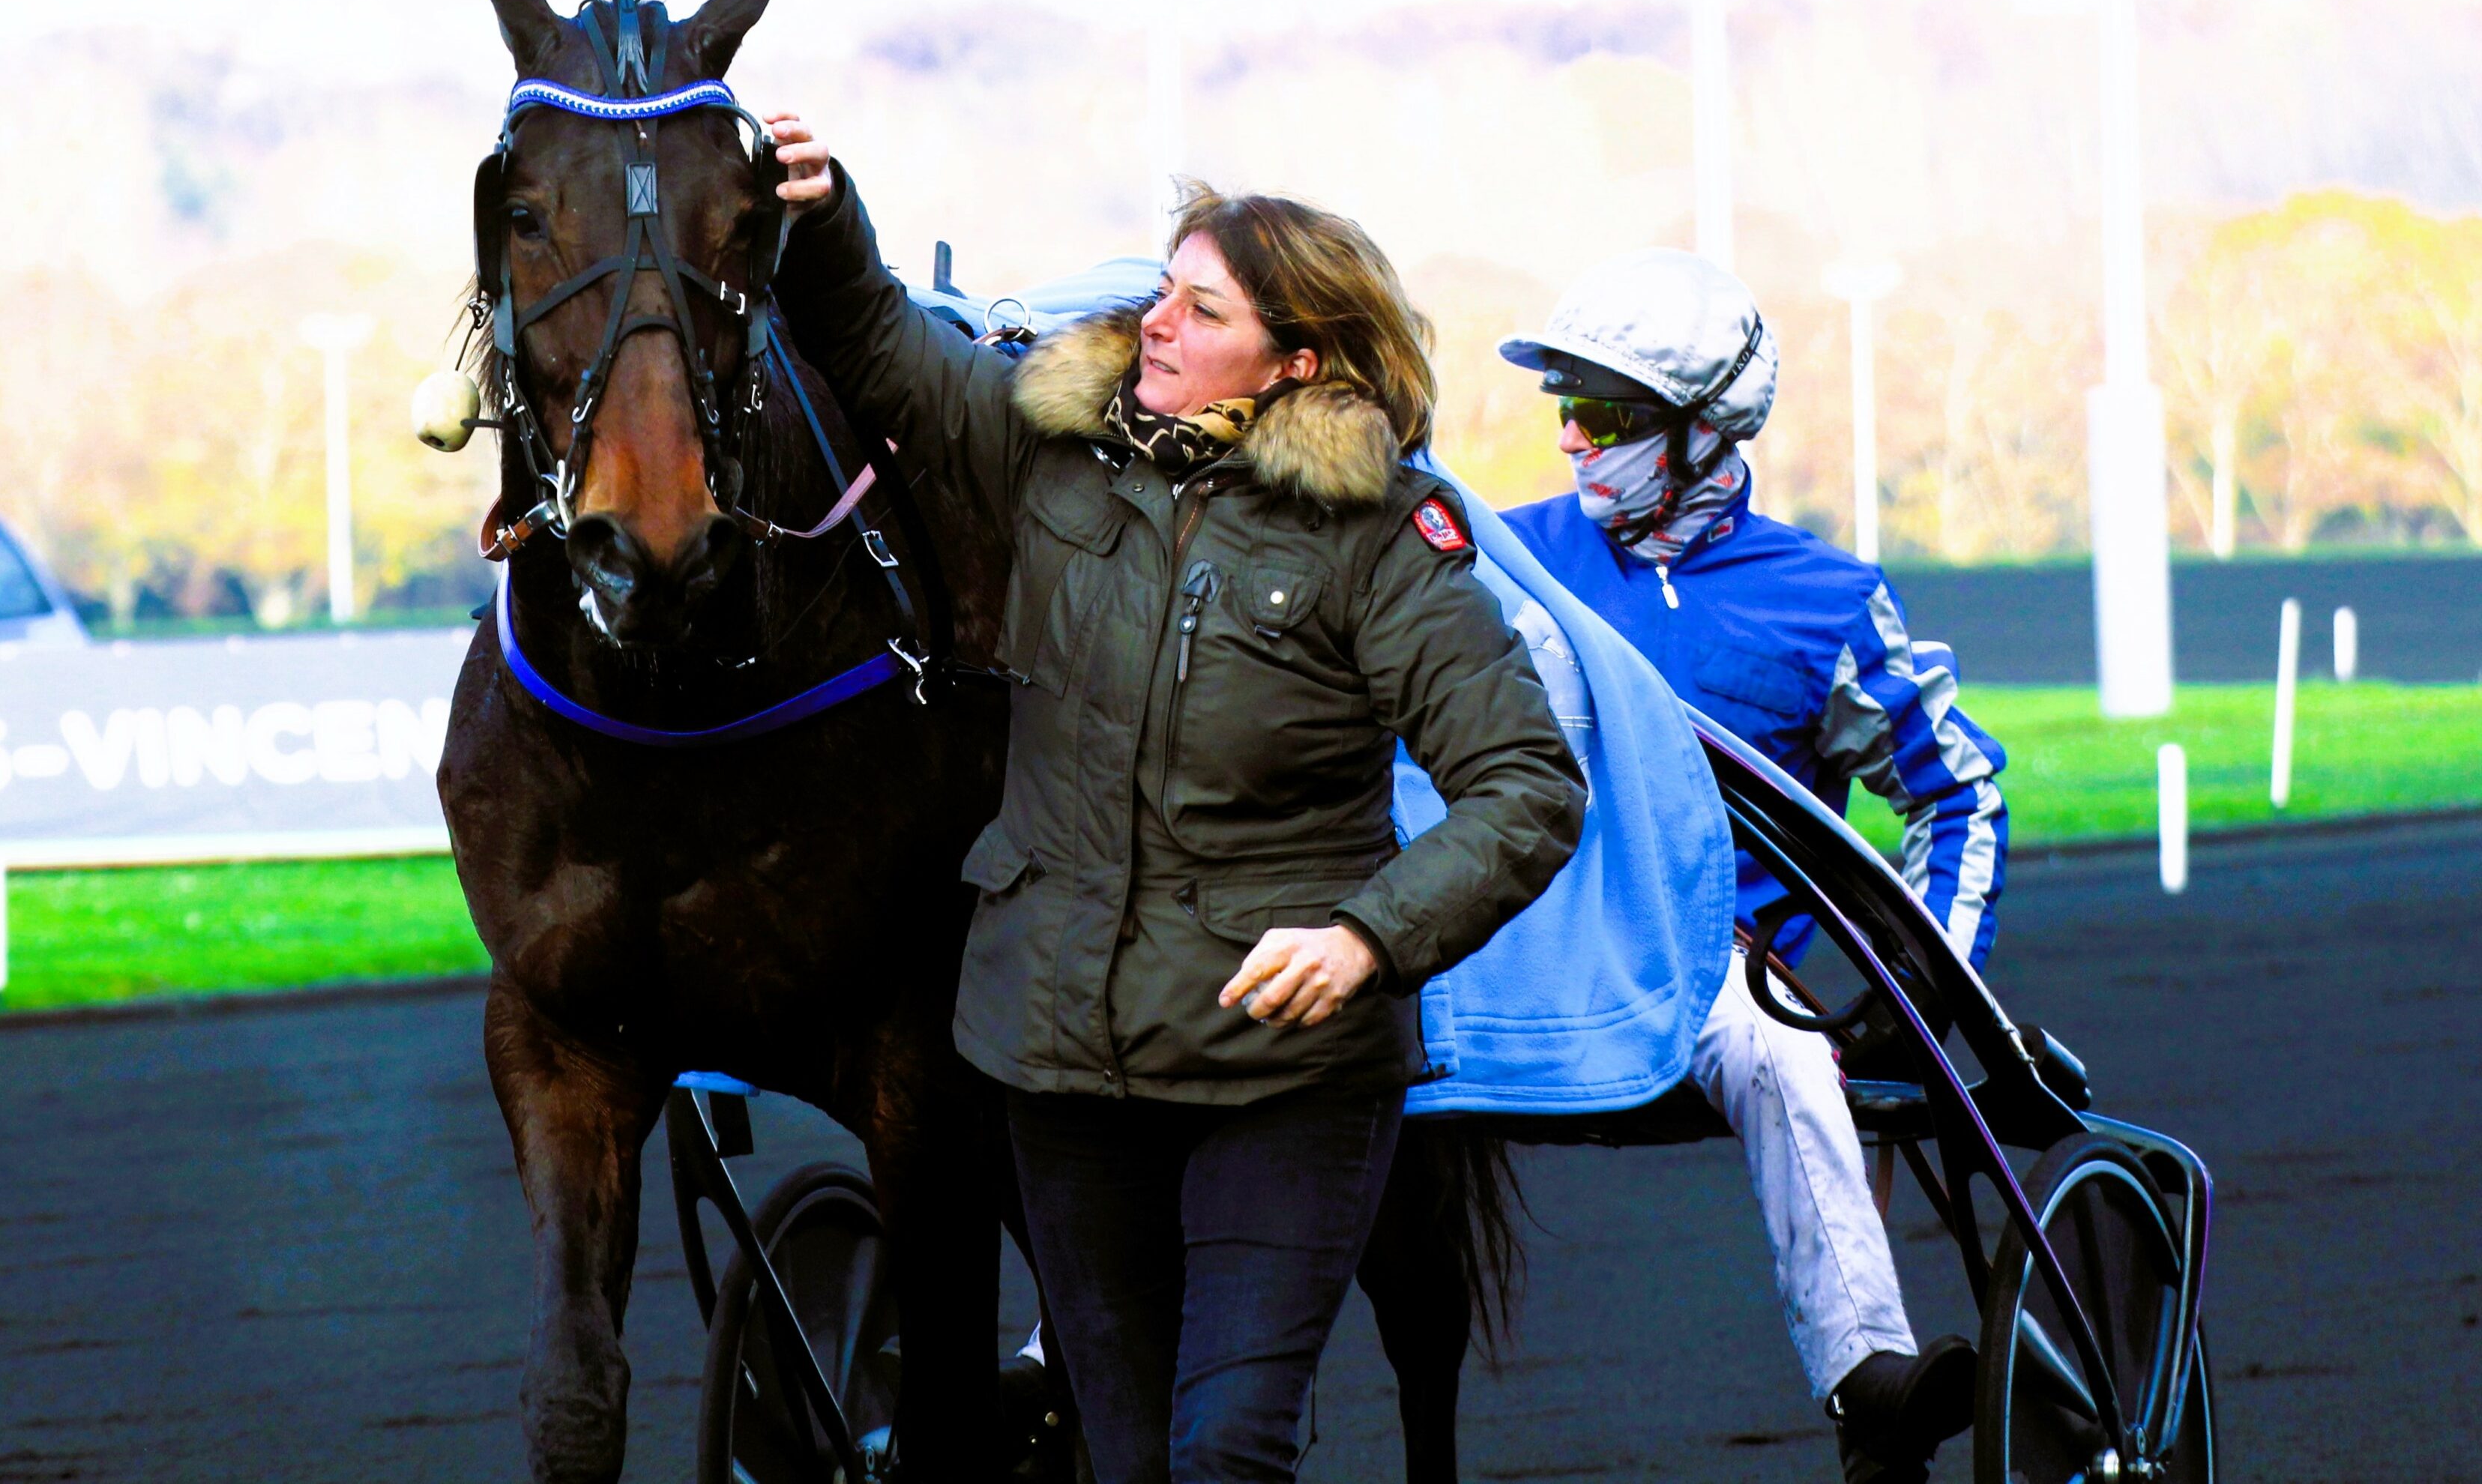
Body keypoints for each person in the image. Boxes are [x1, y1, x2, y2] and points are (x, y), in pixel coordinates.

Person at [765, 114, 1588, 1484]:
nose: (1155, 321)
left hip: (1286, 1078)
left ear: (1295, 360)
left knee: (1226, 1450)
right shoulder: (1046, 447)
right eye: (1163, 287)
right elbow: (874, 338)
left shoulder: (1382, 538)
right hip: (1065, 1070)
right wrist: (822, 203)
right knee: (1132, 1461)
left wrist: (1369, 938)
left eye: (1201, 307)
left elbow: (1525, 784)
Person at [1498, 249, 2010, 1484]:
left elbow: (1959, 794)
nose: (1571, 440)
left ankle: (1871, 1380)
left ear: (1701, 431)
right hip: (1499, 952)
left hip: (1701, 974)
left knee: (1784, 1050)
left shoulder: (1825, 599)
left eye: (1605, 414)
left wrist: (1920, 983)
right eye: (1563, 408)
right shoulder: (1503, 558)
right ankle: (1058, 1367)